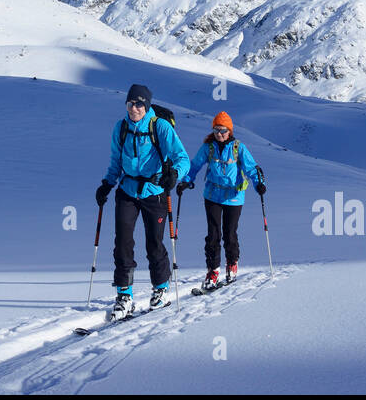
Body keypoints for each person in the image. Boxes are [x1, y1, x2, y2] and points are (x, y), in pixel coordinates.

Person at [94, 83, 191, 320]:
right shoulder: (121, 127)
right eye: (130, 103)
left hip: (154, 192)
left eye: (139, 104)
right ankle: (124, 295)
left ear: (146, 105)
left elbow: (182, 157)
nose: (134, 108)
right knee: (123, 243)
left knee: (154, 243)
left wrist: (175, 174)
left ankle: (161, 289)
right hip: (127, 190)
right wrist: (107, 183)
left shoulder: (161, 127)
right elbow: (116, 161)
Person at [181, 111, 265, 291]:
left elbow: (251, 168)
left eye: (223, 130)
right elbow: (195, 165)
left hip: (234, 197)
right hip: (212, 195)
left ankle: (232, 263)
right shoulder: (208, 147)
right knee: (213, 234)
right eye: (217, 130)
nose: (220, 134)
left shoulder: (238, 147)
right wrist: (186, 181)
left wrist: (259, 184)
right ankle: (213, 270)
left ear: (230, 131)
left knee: (229, 233)